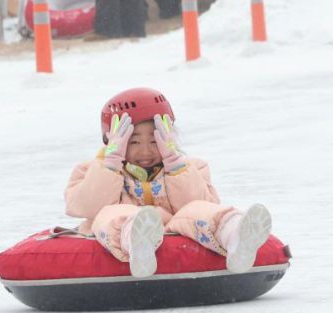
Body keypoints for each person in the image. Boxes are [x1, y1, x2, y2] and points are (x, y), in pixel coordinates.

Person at [64, 87, 272, 278]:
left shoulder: (193, 168)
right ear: (112, 140)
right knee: (109, 213)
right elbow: (88, 207)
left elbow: (203, 203)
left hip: (178, 227)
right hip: (119, 234)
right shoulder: (89, 171)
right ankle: (136, 242)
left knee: (197, 209)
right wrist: (109, 165)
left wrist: (175, 164)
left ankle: (235, 235)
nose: (145, 151)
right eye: (133, 142)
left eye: (155, 141)